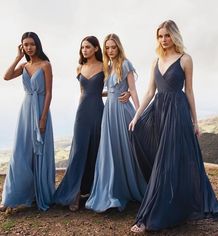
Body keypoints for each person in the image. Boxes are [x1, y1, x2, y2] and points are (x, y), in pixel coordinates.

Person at [129, 20, 218, 233]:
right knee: (164, 160)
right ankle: (176, 206)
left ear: (175, 36)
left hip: (178, 113)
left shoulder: (185, 59)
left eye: (167, 35)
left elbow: (189, 91)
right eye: (160, 36)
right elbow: (149, 92)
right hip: (159, 112)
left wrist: (195, 121)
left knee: (167, 162)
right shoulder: (155, 61)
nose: (164, 40)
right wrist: (137, 116)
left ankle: (151, 217)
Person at [54, 36, 130, 211]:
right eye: (82, 48)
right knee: (79, 151)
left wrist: (125, 93)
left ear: (96, 48)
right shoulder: (80, 67)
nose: (84, 50)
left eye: (88, 47)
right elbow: (84, 91)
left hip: (98, 111)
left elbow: (115, 85)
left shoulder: (106, 67)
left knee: (96, 149)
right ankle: (74, 192)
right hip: (82, 113)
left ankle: (95, 191)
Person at [85, 33, 147, 213]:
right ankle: (111, 191)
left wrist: (138, 114)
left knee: (124, 150)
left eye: (113, 47)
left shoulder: (125, 64)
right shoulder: (108, 66)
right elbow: (110, 90)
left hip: (122, 111)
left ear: (118, 47)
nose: (110, 50)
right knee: (110, 151)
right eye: (108, 47)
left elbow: (133, 91)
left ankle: (127, 189)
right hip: (108, 112)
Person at [0, 32, 55, 212]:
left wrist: (44, 117)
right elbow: (6, 76)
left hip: (40, 109)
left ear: (37, 45)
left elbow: (48, 93)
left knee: (39, 154)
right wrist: (17, 57)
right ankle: (11, 197)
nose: (29, 47)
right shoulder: (24, 66)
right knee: (20, 152)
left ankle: (37, 193)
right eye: (25, 45)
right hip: (25, 111)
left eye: (31, 44)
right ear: (22, 47)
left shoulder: (45, 65)